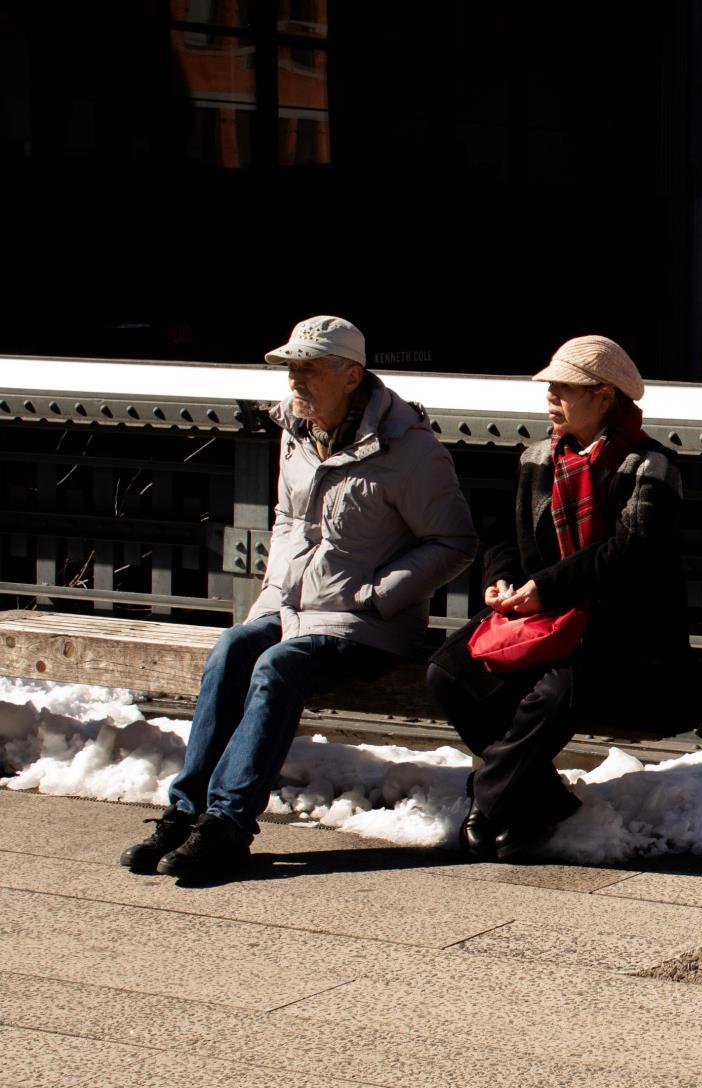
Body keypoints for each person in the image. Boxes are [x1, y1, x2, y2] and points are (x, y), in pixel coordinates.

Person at [121, 315, 477, 883]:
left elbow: (455, 541)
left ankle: (228, 826)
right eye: (290, 368)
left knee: (278, 666)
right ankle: (187, 814)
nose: (295, 380)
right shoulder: (296, 432)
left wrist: (373, 595)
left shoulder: (411, 450)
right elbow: (289, 520)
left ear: (351, 376)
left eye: (309, 369)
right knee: (232, 648)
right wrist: (271, 597)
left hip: (366, 623)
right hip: (293, 611)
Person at [426, 335, 702, 862]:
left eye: (564, 388)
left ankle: (488, 800)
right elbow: (503, 535)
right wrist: (503, 579)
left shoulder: (652, 466)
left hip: (621, 629)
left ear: (604, 397)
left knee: (557, 691)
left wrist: (547, 587)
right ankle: (539, 798)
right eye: (550, 388)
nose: (550, 398)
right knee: (449, 673)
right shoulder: (537, 458)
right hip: (545, 616)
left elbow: (631, 553)